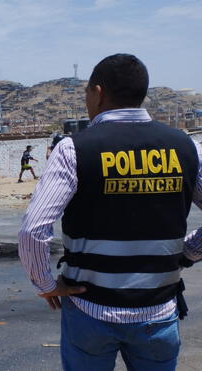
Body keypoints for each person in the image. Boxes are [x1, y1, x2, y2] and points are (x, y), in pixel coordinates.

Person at [18, 54, 202, 371]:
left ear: (99, 93)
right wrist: (187, 252)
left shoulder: (74, 148)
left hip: (90, 311)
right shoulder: (185, 147)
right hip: (157, 312)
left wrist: (46, 284)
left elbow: (33, 230)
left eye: (87, 93)